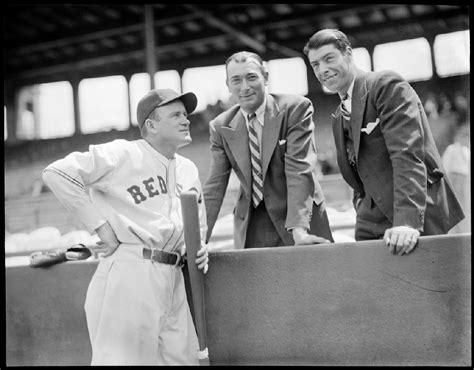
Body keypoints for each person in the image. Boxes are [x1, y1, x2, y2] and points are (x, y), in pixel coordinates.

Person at [42, 88, 209, 365]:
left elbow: (196, 224)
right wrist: (101, 227)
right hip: (132, 270)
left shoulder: (188, 168)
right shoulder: (124, 153)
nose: (186, 120)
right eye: (176, 114)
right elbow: (57, 173)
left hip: (175, 276)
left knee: (182, 361)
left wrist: (200, 247)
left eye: (186, 114)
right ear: (151, 125)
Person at [303, 29, 465, 256]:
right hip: (370, 222)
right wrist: (362, 208)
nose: (322, 70)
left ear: (348, 54)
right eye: (315, 65)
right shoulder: (338, 116)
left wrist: (408, 223)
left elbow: (407, 154)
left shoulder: (385, 85)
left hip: (412, 218)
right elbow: (358, 175)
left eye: (329, 59)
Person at [203, 51, 334, 250]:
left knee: (312, 279)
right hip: (253, 223)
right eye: (236, 80)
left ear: (265, 77)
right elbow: (214, 186)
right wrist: (198, 239)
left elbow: (299, 170)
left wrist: (299, 229)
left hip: (298, 217)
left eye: (251, 77)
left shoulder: (295, 108)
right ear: (228, 85)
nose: (244, 87)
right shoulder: (220, 126)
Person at [442, 122, 470, 234]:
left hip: (465, 195)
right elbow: (454, 177)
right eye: (465, 135)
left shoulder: (466, 151)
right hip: (455, 197)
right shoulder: (454, 150)